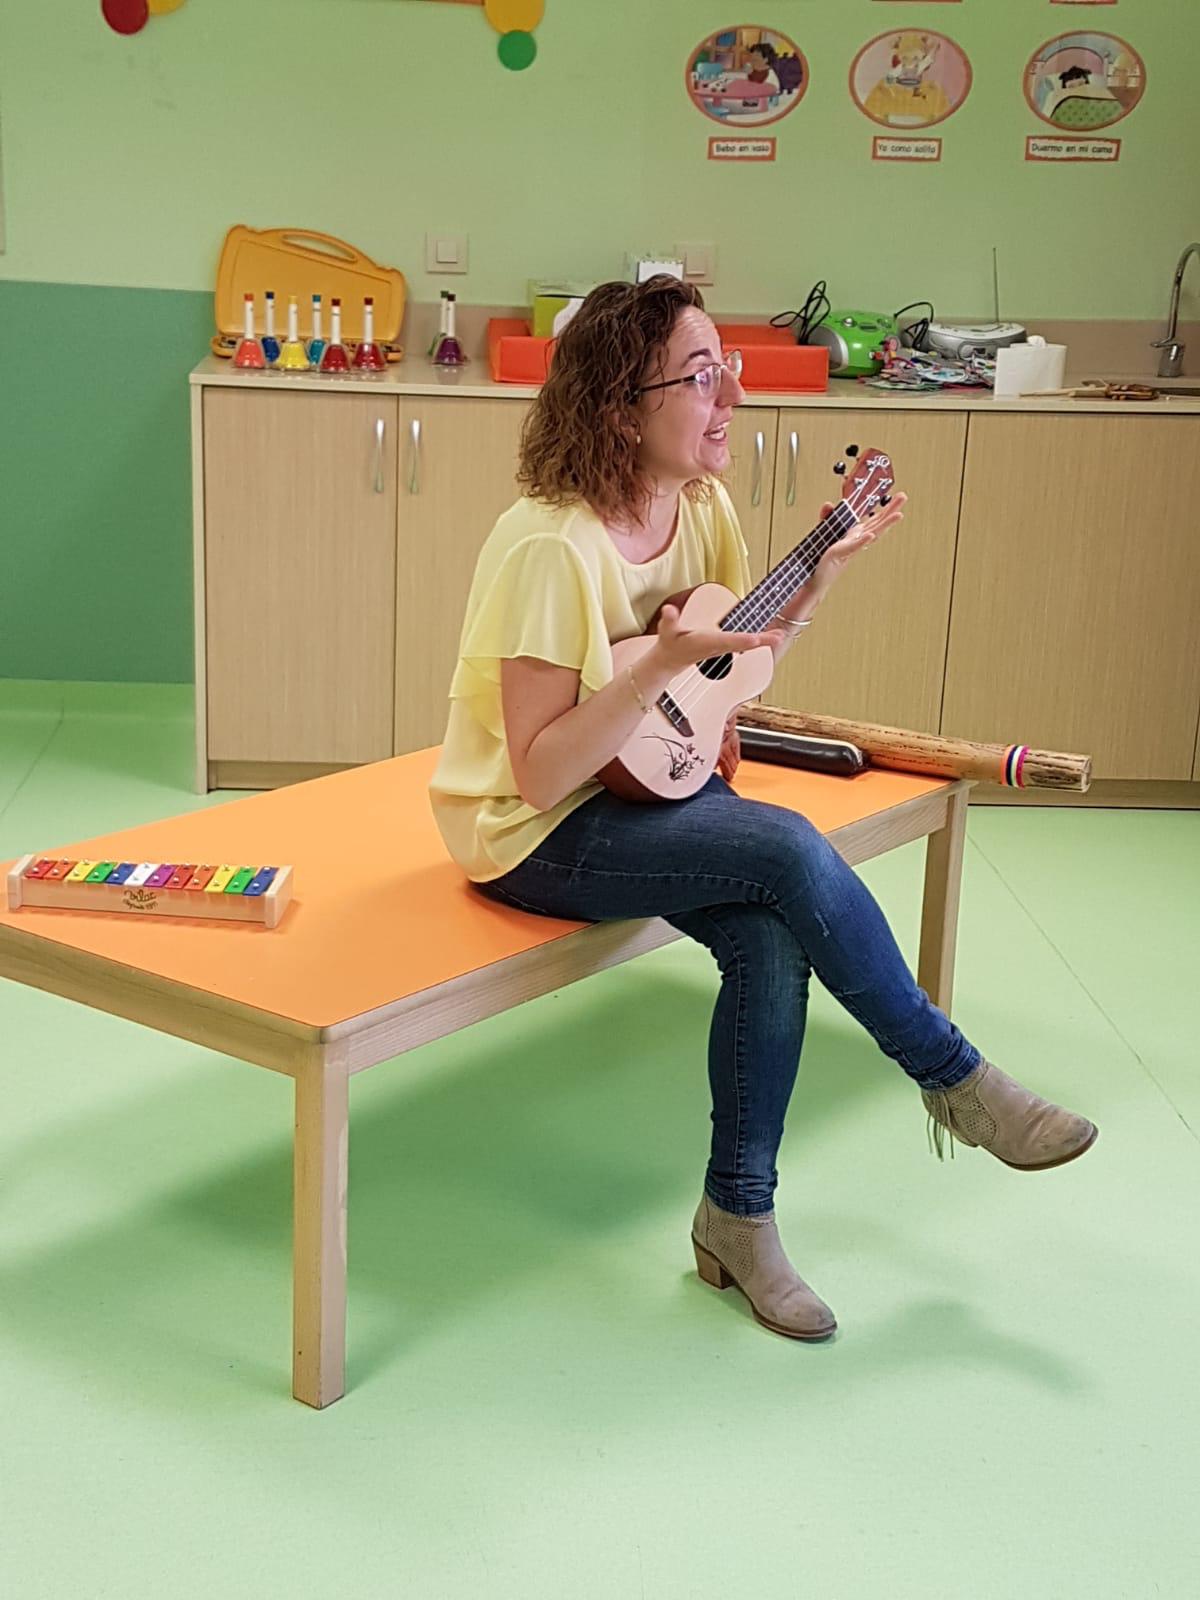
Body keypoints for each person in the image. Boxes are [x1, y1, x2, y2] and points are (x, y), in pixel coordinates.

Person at [428, 276, 1097, 1342]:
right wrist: (659, 669)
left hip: (654, 786)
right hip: (533, 831)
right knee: (786, 847)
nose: (732, 396)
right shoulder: (549, 545)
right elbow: (543, 771)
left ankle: (737, 1220)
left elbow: (726, 673)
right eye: (702, 377)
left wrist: (812, 589)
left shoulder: (702, 506)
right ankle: (956, 1079)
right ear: (621, 408)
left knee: (769, 937)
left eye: (726, 368)